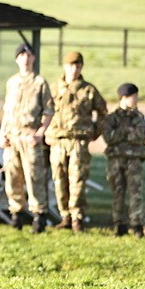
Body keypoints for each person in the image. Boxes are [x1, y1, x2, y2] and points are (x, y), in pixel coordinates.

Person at [46, 51, 107, 233]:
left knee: (77, 179)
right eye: (71, 65)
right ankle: (64, 215)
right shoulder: (54, 88)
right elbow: (44, 112)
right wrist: (46, 132)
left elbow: (103, 112)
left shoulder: (88, 90)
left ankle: (77, 217)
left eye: (78, 66)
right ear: (65, 66)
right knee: (59, 178)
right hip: (58, 140)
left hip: (78, 141)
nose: (74, 69)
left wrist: (95, 132)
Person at [0, 43, 54, 233]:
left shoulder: (40, 83)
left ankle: (39, 214)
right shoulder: (12, 82)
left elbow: (49, 111)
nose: (25, 59)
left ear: (33, 58)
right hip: (12, 135)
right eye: (22, 55)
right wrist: (2, 133)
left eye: (29, 55)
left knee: (34, 176)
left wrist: (40, 133)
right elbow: (7, 110)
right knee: (12, 176)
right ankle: (16, 213)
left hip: (30, 135)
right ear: (16, 59)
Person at [102, 83, 145, 237]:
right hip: (115, 159)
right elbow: (109, 137)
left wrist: (120, 134)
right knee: (118, 192)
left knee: (136, 192)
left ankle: (137, 225)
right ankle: (119, 224)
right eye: (133, 97)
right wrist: (127, 131)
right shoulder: (112, 117)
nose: (136, 100)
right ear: (124, 97)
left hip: (134, 159)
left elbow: (139, 137)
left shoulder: (138, 117)